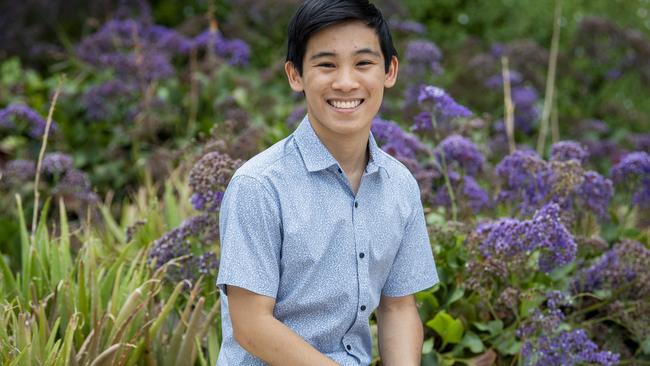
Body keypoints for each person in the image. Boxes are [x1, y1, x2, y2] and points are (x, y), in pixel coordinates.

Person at [216, 0, 439, 364]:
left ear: (390, 70)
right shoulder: (259, 186)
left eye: (364, 63)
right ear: (295, 75)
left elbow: (398, 309)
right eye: (326, 65)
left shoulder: (400, 185)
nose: (346, 82)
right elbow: (251, 324)